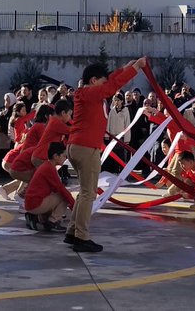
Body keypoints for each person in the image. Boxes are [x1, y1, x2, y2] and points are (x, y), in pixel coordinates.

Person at [65, 57, 145, 253]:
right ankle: (81, 237)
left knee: (85, 193)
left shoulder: (87, 93)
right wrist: (135, 69)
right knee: (88, 194)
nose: (104, 83)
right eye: (101, 80)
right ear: (93, 80)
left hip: (80, 146)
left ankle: (73, 231)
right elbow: (111, 87)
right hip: (86, 147)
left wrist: (125, 68)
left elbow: (110, 81)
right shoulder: (89, 93)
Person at [24, 142, 76, 231]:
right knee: (63, 197)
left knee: (59, 195)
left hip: (32, 202)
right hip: (35, 203)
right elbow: (61, 189)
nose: (65, 158)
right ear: (56, 156)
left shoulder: (46, 165)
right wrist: (75, 206)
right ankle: (52, 222)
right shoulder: (49, 168)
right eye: (64, 156)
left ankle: (36, 217)